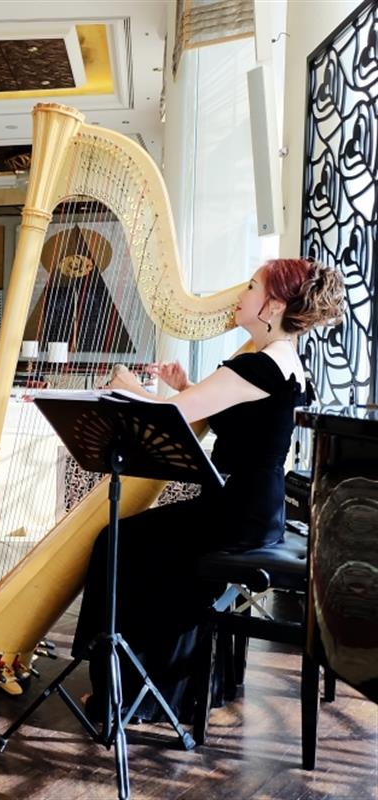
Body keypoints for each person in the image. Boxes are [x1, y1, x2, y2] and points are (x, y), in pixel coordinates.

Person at [71, 257, 345, 723]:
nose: (240, 295)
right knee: (136, 544)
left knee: (118, 544)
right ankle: (156, 683)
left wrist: (128, 388)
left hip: (232, 515)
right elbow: (235, 415)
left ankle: (124, 693)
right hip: (256, 511)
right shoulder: (284, 363)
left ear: (273, 305)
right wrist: (186, 385)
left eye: (252, 287)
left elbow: (169, 416)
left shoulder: (256, 366)